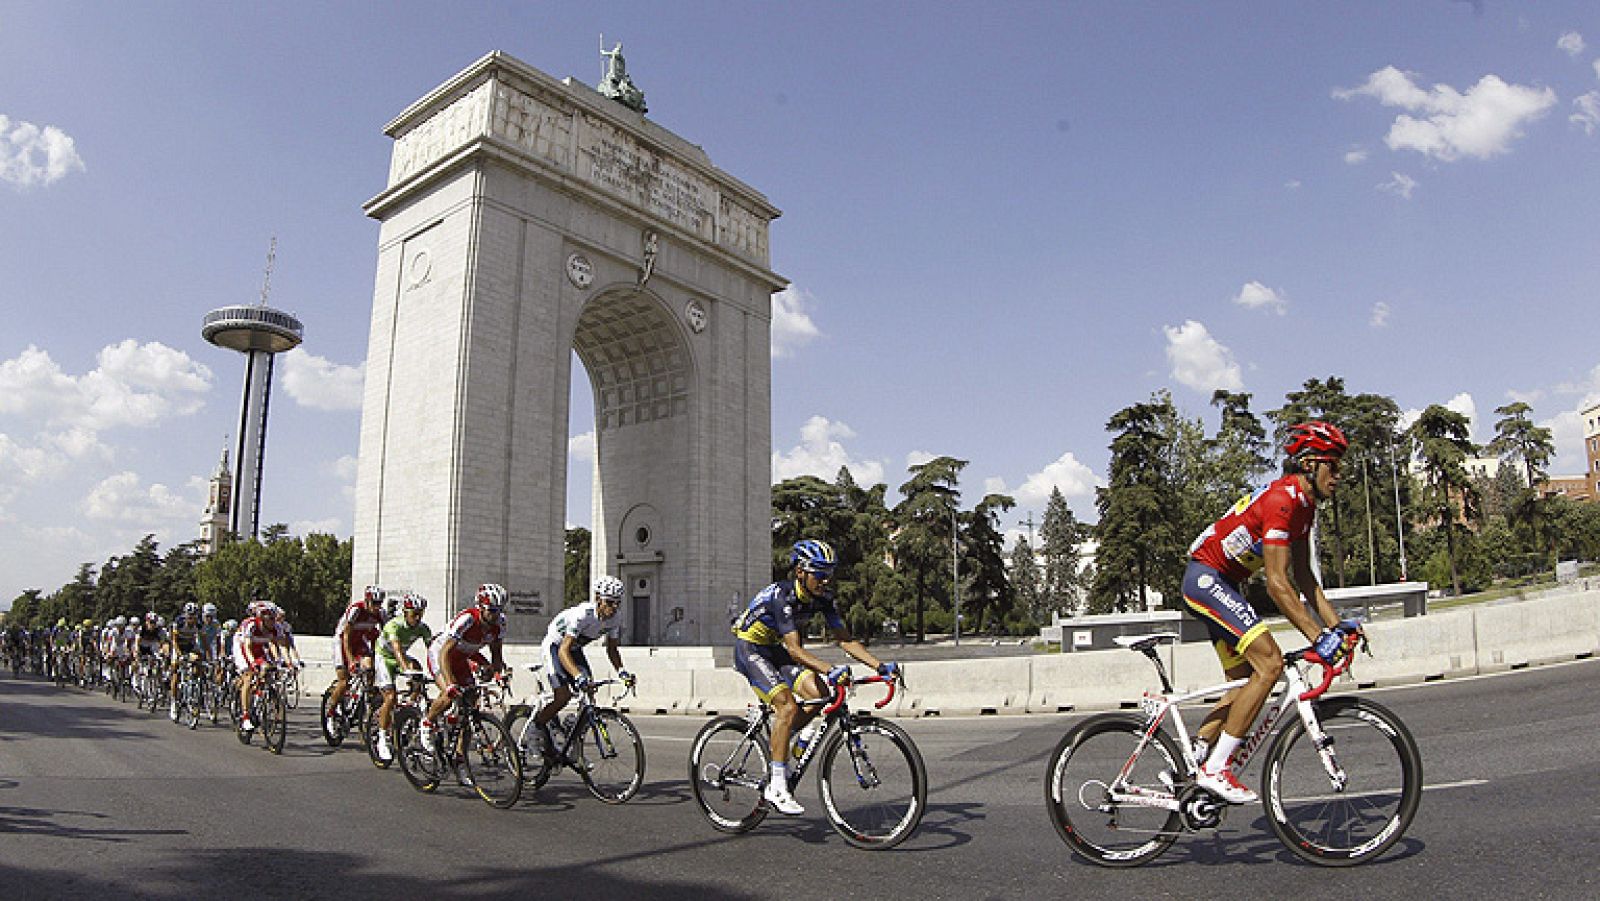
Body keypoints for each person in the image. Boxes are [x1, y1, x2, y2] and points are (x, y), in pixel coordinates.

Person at [1182, 420, 1363, 804]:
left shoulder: (1304, 508)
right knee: (1270, 664)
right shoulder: (1283, 502)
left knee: (1245, 681)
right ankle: (1217, 768)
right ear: (1311, 464)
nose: (1339, 475)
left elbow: (1306, 582)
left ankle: (1197, 755)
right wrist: (1319, 638)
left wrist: (1338, 628)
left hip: (1223, 584)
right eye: (1334, 464)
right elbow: (1278, 585)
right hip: (1206, 578)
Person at [731, 539, 900, 816]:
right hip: (750, 650)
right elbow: (795, 650)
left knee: (821, 692)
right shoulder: (782, 597)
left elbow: (845, 640)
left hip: (773, 649)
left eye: (829, 574)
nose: (825, 580)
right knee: (786, 706)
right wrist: (829, 668)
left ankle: (786, 738)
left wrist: (879, 666)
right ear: (800, 572)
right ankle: (776, 785)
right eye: (819, 574)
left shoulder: (823, 598)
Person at [530, 575, 636, 759]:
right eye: (609, 602)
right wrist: (577, 675)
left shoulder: (615, 619)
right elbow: (563, 650)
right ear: (597, 598)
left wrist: (622, 671)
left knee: (589, 692)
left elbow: (612, 649)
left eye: (617, 603)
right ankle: (536, 727)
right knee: (563, 696)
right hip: (556, 646)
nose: (613, 608)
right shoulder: (582, 615)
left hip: (575, 648)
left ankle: (573, 739)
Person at [421, 583, 508, 782]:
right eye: (492, 610)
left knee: (469, 709)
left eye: (500, 610)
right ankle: (427, 722)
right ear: (481, 607)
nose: (496, 615)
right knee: (449, 693)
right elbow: (444, 652)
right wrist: (450, 683)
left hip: (463, 658)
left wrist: (497, 675)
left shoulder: (500, 624)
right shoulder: (468, 619)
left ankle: (460, 761)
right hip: (442, 655)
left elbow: (496, 655)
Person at [372, 591, 433, 762]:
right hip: (384, 657)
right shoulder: (394, 625)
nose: (418, 617)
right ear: (405, 613)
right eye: (415, 614)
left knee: (418, 673)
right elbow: (397, 650)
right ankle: (382, 738)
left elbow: (433, 652)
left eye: (421, 613)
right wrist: (406, 669)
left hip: (401, 657)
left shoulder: (423, 628)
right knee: (390, 697)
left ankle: (408, 705)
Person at [325, 586, 385, 737]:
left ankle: (364, 703)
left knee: (369, 668)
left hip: (360, 643)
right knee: (344, 681)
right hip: (342, 642)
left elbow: (385, 637)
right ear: (367, 601)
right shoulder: (356, 610)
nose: (377, 607)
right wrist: (351, 661)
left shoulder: (380, 614)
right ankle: (331, 712)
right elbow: (345, 636)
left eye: (379, 603)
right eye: (374, 603)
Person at [234, 601, 283, 734]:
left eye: (274, 618)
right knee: (249, 677)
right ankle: (245, 716)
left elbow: (274, 645)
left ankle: (259, 695)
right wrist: (252, 664)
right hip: (243, 647)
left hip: (259, 648)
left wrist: (278, 661)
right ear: (262, 618)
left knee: (267, 670)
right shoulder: (250, 625)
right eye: (270, 618)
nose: (273, 621)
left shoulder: (276, 627)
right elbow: (247, 648)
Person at [167, 602, 205, 721]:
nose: (192, 619)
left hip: (189, 645)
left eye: (194, 616)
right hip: (178, 646)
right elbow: (174, 641)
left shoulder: (199, 624)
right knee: (175, 671)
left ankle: (195, 686)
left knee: (199, 660)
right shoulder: (179, 622)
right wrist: (179, 656)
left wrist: (209, 656)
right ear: (185, 615)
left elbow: (204, 642)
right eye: (189, 616)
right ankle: (173, 702)